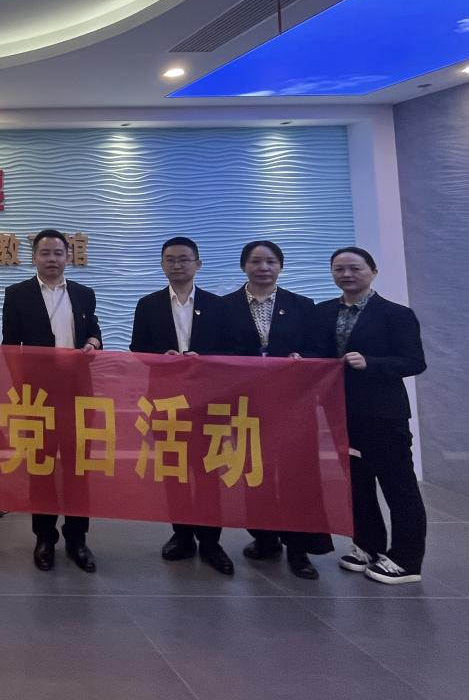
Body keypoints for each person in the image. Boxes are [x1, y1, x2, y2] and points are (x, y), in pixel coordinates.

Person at [312, 247, 427, 584]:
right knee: (357, 484)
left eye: (355, 268)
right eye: (339, 269)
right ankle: (368, 546)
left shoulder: (396, 314)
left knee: (398, 486)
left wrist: (372, 363)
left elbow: (414, 361)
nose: (347, 275)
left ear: (373, 271)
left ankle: (406, 559)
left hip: (384, 415)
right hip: (341, 413)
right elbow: (317, 354)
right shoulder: (322, 312)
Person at [218, 239, 331, 580]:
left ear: (280, 266)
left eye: (270, 261)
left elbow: (320, 349)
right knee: (255, 472)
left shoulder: (302, 306)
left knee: (295, 475)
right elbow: (215, 351)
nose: (263, 268)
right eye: (256, 261)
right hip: (246, 405)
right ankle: (265, 539)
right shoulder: (224, 307)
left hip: (293, 404)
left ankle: (299, 549)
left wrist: (303, 358)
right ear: (244, 266)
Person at [129, 236, 233, 576]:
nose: (177, 265)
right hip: (166, 400)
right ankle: (182, 535)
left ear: (197, 264)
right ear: (162, 265)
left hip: (209, 400)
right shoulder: (148, 305)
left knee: (208, 471)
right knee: (174, 469)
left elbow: (233, 351)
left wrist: (205, 359)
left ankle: (211, 540)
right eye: (170, 259)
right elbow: (137, 349)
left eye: (184, 259)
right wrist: (163, 359)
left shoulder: (219, 306)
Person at [2, 228, 102, 573]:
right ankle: (44, 537)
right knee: (40, 468)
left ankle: (78, 539)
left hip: (78, 395)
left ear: (68, 257)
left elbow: (94, 331)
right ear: (34, 258)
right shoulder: (17, 294)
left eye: (58, 253)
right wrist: (20, 392)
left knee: (78, 469)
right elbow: (10, 347)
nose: (52, 259)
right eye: (45, 253)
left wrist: (93, 341)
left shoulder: (84, 294)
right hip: (38, 397)